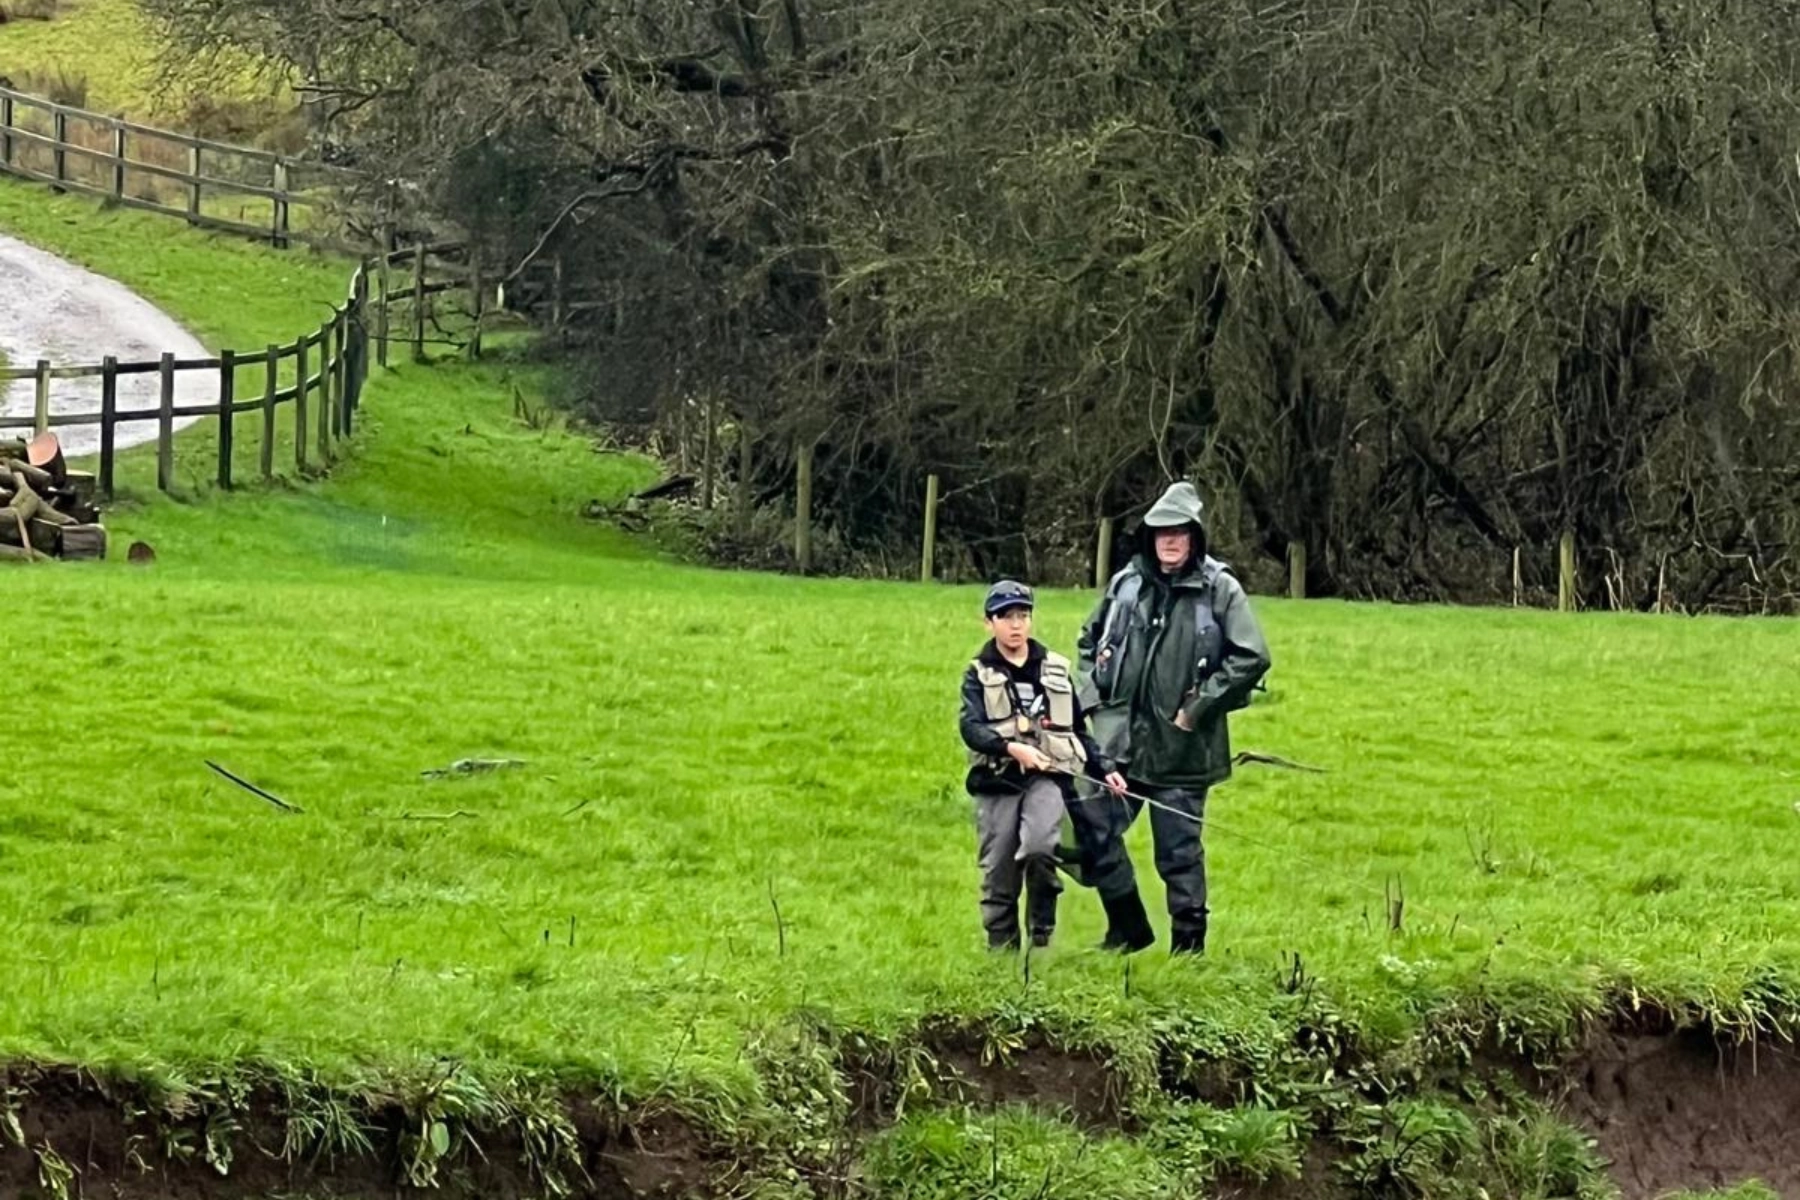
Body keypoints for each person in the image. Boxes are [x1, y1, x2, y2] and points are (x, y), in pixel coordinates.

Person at [1072, 481, 1272, 955]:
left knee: (1179, 855)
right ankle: (1127, 928)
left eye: (1180, 532)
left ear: (1195, 536)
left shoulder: (1219, 589)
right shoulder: (1126, 584)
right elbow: (1088, 642)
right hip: (1120, 748)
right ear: (1149, 536)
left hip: (1182, 752)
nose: (1170, 540)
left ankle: (1189, 950)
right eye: (1161, 531)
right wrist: (1092, 701)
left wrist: (1197, 708)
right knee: (1089, 829)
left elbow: (1252, 656)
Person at [959, 579, 1128, 951]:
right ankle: (1001, 948)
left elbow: (1078, 729)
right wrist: (1010, 749)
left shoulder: (1054, 668)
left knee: (1039, 847)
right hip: (997, 782)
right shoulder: (978, 673)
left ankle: (1041, 933)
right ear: (989, 623)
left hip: (1048, 781)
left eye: (1023, 615)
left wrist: (1105, 768)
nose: (1016, 625)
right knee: (999, 867)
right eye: (1006, 617)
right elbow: (970, 728)